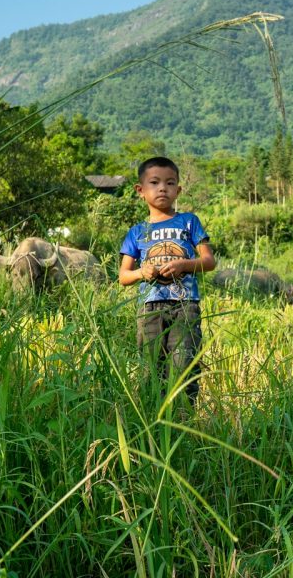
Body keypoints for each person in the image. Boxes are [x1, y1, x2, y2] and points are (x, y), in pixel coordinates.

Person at [118, 157, 216, 403]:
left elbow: (209, 261)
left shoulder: (189, 221)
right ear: (140, 191)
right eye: (154, 182)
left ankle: (184, 417)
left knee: (184, 364)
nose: (162, 188)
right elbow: (124, 276)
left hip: (185, 306)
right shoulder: (136, 231)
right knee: (151, 367)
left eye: (170, 183)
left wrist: (184, 264)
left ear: (178, 190)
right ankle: (153, 417)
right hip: (150, 308)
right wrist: (143, 272)